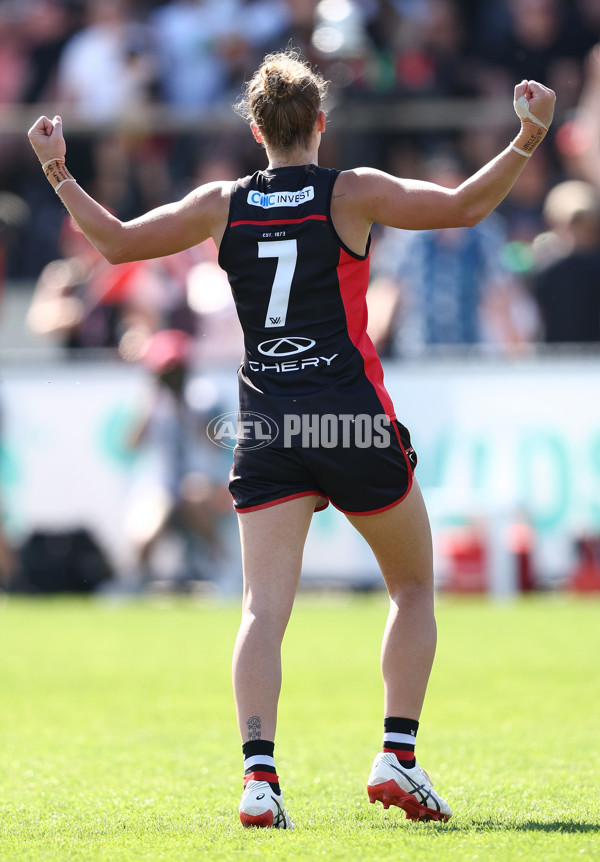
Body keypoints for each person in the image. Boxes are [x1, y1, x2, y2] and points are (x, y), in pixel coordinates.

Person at [27, 48, 555, 829]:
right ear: (320, 122)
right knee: (413, 587)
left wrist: (57, 169)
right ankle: (397, 756)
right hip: (350, 417)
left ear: (255, 129)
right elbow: (464, 206)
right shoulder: (353, 192)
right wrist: (528, 136)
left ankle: (259, 778)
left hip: (269, 424)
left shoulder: (222, 203)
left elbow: (115, 242)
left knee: (261, 610)